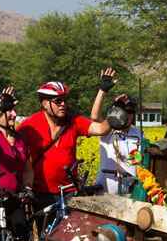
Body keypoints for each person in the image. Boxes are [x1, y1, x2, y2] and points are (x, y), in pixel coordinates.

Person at [18, 70, 117, 209]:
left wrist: (114, 109)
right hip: (40, 193)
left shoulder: (74, 120)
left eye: (65, 99)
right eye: (58, 101)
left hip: (69, 191)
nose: (63, 104)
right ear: (45, 103)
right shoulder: (29, 125)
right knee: (45, 231)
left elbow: (101, 129)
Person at [96, 94, 145, 195]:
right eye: (124, 111)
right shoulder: (108, 129)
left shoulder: (138, 132)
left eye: (131, 111)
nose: (128, 115)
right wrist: (103, 91)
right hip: (106, 192)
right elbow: (95, 116)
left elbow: (140, 157)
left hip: (130, 191)